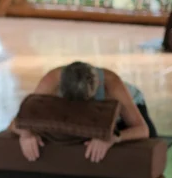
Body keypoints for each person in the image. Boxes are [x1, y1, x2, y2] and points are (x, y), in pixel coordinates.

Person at [11, 61, 156, 163]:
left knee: (150, 144)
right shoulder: (50, 82)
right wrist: (27, 134)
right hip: (82, 115)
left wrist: (113, 138)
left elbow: (142, 130)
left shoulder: (111, 84)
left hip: (121, 111)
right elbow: (15, 123)